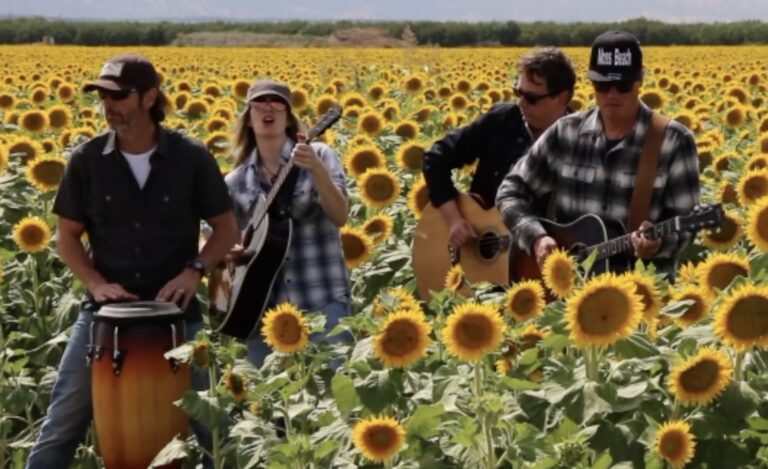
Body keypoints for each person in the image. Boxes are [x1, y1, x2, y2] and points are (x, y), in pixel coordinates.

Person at [26, 53, 239, 468]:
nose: (109, 105)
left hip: (177, 316)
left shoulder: (190, 157)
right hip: (105, 316)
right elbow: (67, 236)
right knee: (63, 421)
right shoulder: (87, 160)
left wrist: (194, 270)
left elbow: (226, 229)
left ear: (149, 97)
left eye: (119, 95)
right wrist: (93, 283)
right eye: (103, 96)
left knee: (216, 431)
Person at [496, 31, 700, 279]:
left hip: (639, 294)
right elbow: (511, 189)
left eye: (622, 85)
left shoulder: (672, 141)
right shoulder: (566, 132)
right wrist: (536, 237)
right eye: (603, 85)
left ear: (640, 81)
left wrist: (658, 244)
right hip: (564, 291)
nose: (612, 94)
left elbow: (686, 222)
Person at [224, 79, 350, 367]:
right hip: (261, 310)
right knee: (271, 405)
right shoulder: (236, 181)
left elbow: (340, 215)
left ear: (289, 116)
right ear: (249, 117)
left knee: (333, 397)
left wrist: (317, 170)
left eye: (277, 102)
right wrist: (226, 253)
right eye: (260, 103)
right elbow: (211, 237)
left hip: (322, 298)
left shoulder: (320, 156)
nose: (269, 108)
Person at [422, 47, 576, 249]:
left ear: (563, 98)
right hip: (477, 251)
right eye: (518, 92)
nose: (521, 103)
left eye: (531, 98)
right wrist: (454, 221)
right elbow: (436, 158)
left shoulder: (580, 142)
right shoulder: (501, 121)